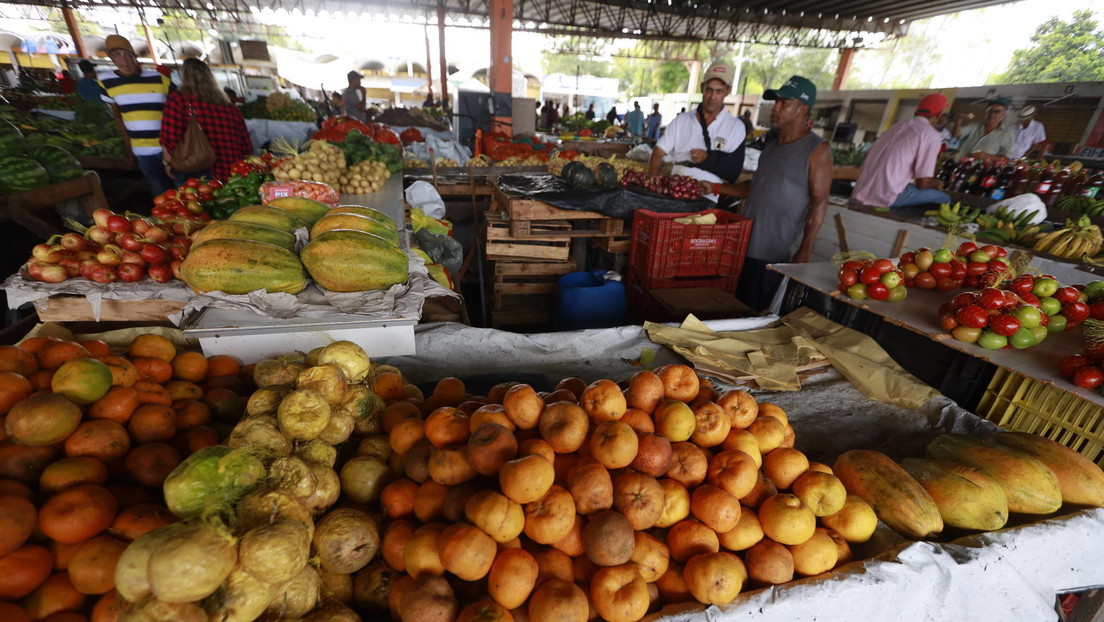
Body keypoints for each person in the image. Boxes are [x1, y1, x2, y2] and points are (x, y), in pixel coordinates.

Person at [705, 76, 831, 311]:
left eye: (784, 103)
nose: (776, 108)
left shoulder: (817, 149)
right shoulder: (771, 148)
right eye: (776, 103)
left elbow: (820, 201)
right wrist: (713, 187)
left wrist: (806, 249)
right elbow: (756, 189)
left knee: (757, 314)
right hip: (744, 247)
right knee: (733, 309)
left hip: (773, 254)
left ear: (802, 109)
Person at [648, 63, 746, 192]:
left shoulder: (736, 128)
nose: (712, 96)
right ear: (702, 88)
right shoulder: (682, 120)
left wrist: (708, 158)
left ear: (727, 91)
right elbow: (659, 151)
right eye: (709, 90)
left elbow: (734, 172)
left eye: (719, 91)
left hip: (708, 197)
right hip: (674, 189)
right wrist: (652, 177)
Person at [97, 35, 174, 196]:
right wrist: (129, 149)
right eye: (117, 55)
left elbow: (177, 109)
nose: (124, 60)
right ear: (111, 58)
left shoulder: (159, 78)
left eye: (127, 55)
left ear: (134, 57)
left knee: (184, 189)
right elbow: (117, 117)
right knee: (160, 195)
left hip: (171, 148)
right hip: (143, 151)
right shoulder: (106, 82)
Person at [159, 58, 252, 184]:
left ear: (184, 75)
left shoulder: (179, 100)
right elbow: (245, 143)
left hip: (198, 169)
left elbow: (170, 137)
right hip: (231, 170)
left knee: (197, 203)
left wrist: (167, 162)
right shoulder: (228, 105)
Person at [851, 93, 950, 208]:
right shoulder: (931, 135)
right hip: (887, 196)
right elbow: (923, 184)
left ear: (916, 112)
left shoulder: (897, 126)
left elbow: (867, 155)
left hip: (861, 191)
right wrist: (936, 183)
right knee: (943, 197)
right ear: (938, 116)